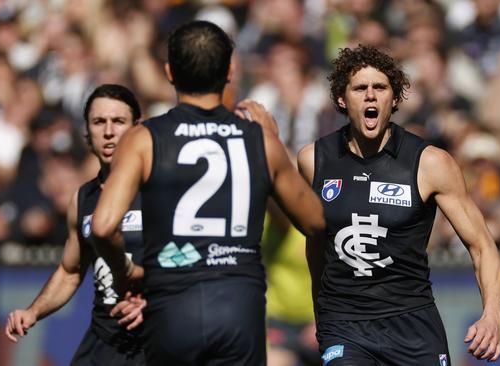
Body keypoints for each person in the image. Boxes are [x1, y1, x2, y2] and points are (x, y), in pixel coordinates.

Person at [90, 21, 325, 365]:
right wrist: (272, 140)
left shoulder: (143, 139)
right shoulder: (259, 140)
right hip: (239, 308)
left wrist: (127, 274)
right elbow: (316, 221)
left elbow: (102, 226)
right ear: (230, 71)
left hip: (171, 306)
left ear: (169, 73)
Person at [297, 45, 500, 365]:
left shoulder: (430, 163)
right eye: (360, 88)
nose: (370, 96)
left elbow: (482, 246)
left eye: (379, 88)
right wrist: (320, 309)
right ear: (342, 99)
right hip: (345, 324)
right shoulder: (314, 160)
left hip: (412, 325)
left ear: (393, 99)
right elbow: (316, 243)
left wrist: (492, 316)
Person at [5, 84, 147, 365]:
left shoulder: (160, 191)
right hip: (103, 340)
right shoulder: (83, 199)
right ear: (87, 133)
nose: (108, 132)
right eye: (99, 122)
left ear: (137, 130)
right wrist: (33, 312)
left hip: (154, 338)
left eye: (118, 121)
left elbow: (193, 261)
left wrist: (154, 300)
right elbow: (71, 271)